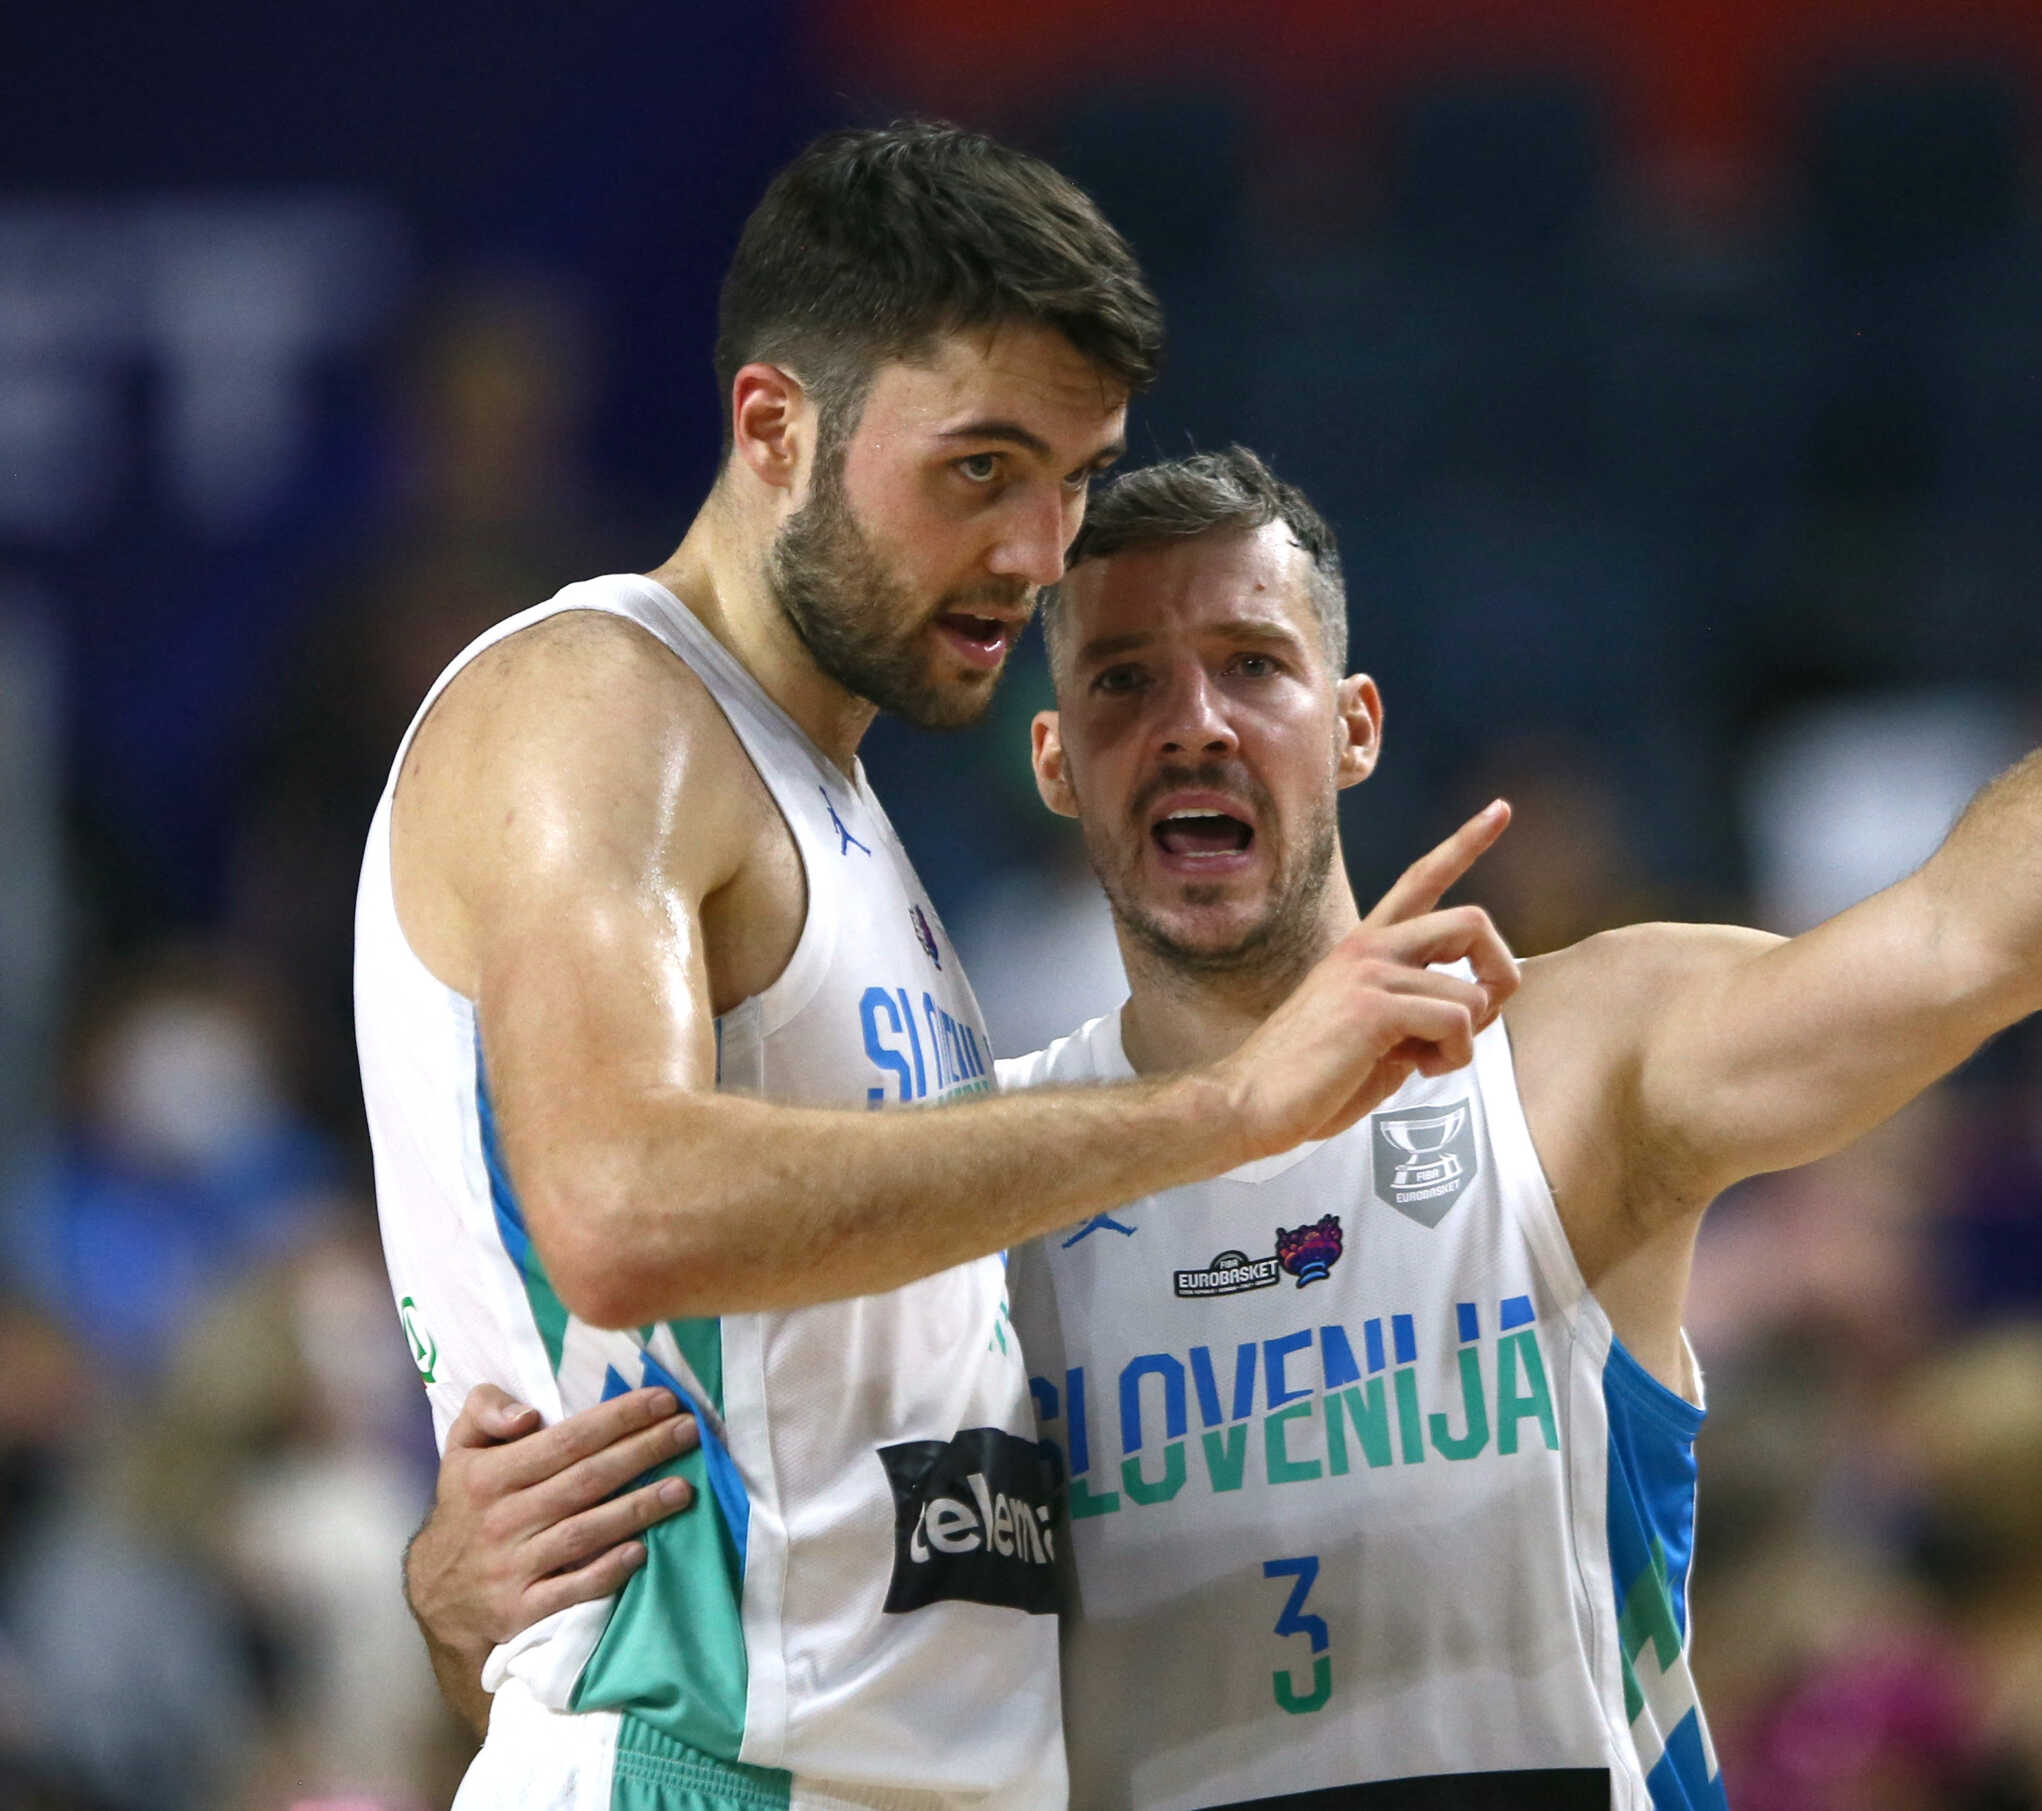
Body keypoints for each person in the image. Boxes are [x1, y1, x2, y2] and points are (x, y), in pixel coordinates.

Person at [406, 447, 2042, 1809]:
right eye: (1123, 682)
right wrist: (468, 1596)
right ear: (1056, 761)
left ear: (1348, 728)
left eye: (1250, 668)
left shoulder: (1566, 1058)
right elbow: (760, 1612)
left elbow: (1965, 942)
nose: (1192, 723)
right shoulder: (974, 1176)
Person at [357, 134, 1521, 1811]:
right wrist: (1227, 1109)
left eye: (1077, 477)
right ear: (776, 428)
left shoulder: (835, 805)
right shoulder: (597, 704)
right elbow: (615, 1206)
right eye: (981, 469)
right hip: (719, 1773)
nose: (1043, 549)